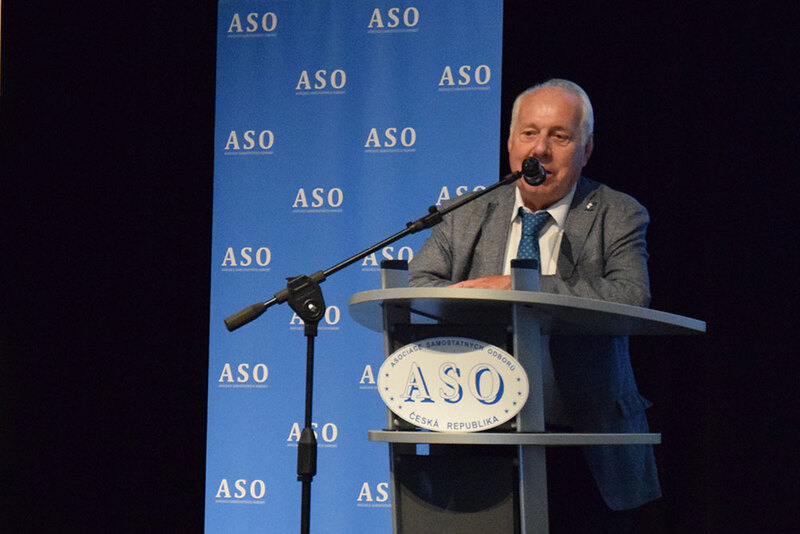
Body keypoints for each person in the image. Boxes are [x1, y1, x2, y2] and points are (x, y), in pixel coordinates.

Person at [409, 79, 661, 531]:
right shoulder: (466, 212)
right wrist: (479, 299)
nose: (540, 149)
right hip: (480, 434)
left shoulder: (618, 213)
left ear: (586, 150)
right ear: (511, 144)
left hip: (585, 440)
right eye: (529, 133)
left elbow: (630, 296)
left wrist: (523, 288)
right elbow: (420, 283)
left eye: (559, 136)